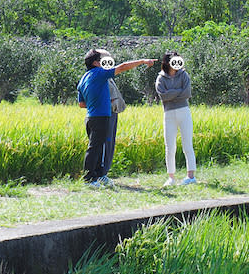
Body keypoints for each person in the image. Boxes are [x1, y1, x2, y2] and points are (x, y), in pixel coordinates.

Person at [78, 49, 155, 188]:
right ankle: (90, 179)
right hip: (101, 117)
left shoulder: (83, 78)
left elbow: (81, 104)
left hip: (90, 117)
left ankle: (96, 177)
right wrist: (143, 61)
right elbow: (123, 67)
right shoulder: (99, 73)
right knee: (96, 149)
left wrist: (96, 99)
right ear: (96, 63)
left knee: (96, 148)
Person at [155, 51, 197, 186]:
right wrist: (178, 92)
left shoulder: (184, 75)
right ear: (167, 63)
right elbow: (163, 96)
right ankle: (171, 177)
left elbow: (187, 93)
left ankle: (191, 176)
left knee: (187, 145)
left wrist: (172, 94)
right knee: (170, 146)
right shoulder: (161, 78)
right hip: (169, 114)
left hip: (184, 111)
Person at [97, 49, 127, 179]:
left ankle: (105, 172)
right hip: (105, 114)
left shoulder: (107, 77)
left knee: (110, 143)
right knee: (105, 144)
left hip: (112, 113)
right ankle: (101, 173)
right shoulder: (100, 76)